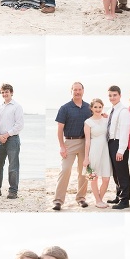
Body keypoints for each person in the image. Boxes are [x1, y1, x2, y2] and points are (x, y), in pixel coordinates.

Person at [53, 83, 91, 211]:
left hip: (85, 143)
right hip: (69, 143)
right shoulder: (65, 108)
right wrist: (62, 146)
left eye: (79, 89)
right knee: (65, 170)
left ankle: (81, 198)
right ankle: (58, 200)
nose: (77, 92)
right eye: (75, 90)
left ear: (83, 91)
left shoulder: (88, 107)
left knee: (83, 172)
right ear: (71, 91)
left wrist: (104, 116)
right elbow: (59, 130)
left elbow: (96, 120)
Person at [0, 84, 23, 200]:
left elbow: (19, 125)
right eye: (3, 92)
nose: (5, 94)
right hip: (0, 139)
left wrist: (6, 134)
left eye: (7, 92)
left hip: (12, 139)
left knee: (13, 166)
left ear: (11, 92)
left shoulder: (17, 107)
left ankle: (13, 191)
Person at [83, 98, 112, 208]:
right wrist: (86, 158)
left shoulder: (106, 119)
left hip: (105, 150)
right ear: (91, 108)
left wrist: (107, 116)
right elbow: (87, 141)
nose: (98, 109)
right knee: (93, 177)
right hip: (94, 150)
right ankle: (98, 201)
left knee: (106, 178)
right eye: (95, 107)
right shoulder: (88, 122)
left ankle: (99, 199)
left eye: (100, 107)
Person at [106, 85, 130, 209]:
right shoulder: (112, 110)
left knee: (122, 173)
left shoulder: (124, 111)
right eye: (110, 95)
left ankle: (125, 200)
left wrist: (121, 150)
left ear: (120, 96)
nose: (112, 97)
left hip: (119, 143)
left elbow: (125, 132)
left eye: (114, 95)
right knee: (115, 172)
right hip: (111, 143)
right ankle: (119, 195)